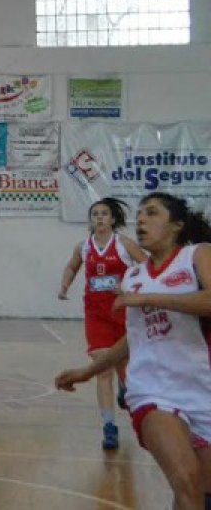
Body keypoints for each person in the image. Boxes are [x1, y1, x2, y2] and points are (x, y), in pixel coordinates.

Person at [56, 192, 211, 510]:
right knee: (187, 480)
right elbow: (134, 337)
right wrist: (89, 370)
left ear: (176, 226)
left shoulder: (197, 256)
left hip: (200, 389)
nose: (141, 219)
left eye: (152, 213)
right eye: (139, 214)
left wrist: (148, 299)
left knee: (201, 493)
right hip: (151, 389)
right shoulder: (134, 277)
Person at [58, 197, 146, 449]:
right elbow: (72, 267)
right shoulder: (83, 247)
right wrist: (64, 286)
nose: (99, 218)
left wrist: (130, 286)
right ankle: (109, 426)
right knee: (102, 368)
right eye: (95, 214)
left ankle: (126, 391)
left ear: (113, 219)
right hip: (96, 315)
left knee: (125, 368)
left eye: (104, 213)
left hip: (124, 314)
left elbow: (149, 269)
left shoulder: (125, 244)